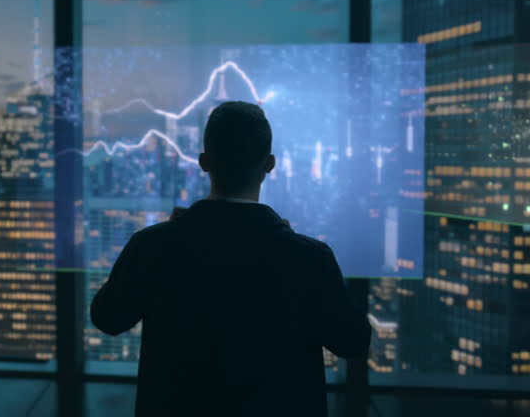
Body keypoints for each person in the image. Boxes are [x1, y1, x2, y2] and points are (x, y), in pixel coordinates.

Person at [91, 101, 371, 416]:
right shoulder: (310, 258)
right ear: (269, 164)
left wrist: (158, 244)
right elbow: (353, 343)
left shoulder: (152, 246)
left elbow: (107, 318)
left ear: (204, 162)